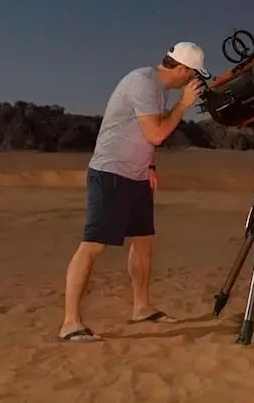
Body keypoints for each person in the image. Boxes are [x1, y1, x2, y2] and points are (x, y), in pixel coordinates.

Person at [58, 42, 209, 342]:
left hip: (137, 176)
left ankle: (142, 307)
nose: (193, 82)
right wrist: (183, 105)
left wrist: (149, 166)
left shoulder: (158, 89)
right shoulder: (142, 82)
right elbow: (156, 133)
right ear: (181, 69)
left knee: (143, 242)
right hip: (111, 174)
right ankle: (70, 323)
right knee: (93, 246)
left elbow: (143, 137)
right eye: (192, 75)